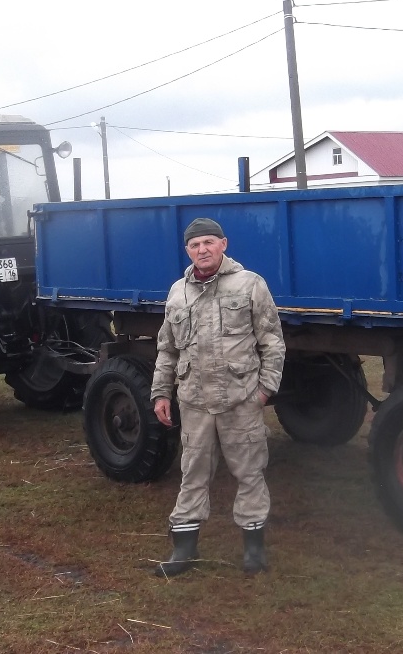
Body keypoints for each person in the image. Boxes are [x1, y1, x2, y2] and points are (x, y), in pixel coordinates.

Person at [150, 217, 285, 576]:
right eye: (195, 245)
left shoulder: (250, 284)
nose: (202, 250)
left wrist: (264, 390)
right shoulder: (178, 291)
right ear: (188, 251)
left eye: (209, 242)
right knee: (191, 473)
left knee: (250, 472)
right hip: (193, 401)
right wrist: (161, 392)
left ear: (223, 244)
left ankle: (253, 550)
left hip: (241, 400)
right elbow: (167, 349)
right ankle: (184, 550)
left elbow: (272, 342)